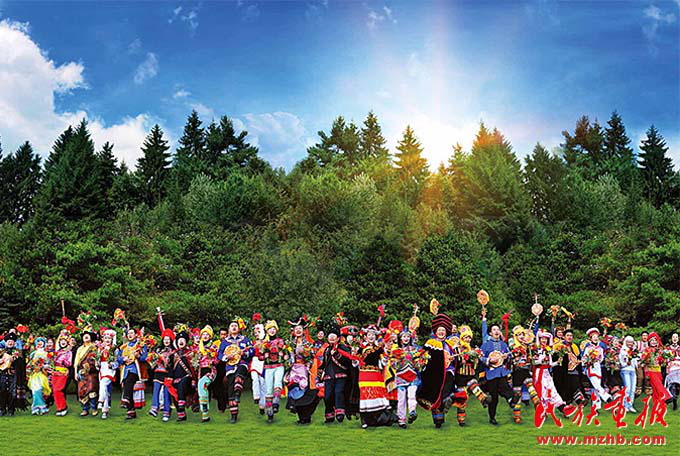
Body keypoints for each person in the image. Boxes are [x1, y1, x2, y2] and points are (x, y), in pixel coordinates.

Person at [416, 312, 457, 428]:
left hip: (448, 371)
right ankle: (438, 420)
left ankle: (448, 400)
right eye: (439, 330)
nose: (441, 332)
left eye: (443, 330)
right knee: (435, 395)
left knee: (445, 391)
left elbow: (456, 358)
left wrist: (455, 358)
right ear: (436, 331)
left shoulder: (450, 345)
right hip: (434, 374)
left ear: (446, 332)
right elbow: (423, 356)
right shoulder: (430, 343)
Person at [357, 325, 397, 429]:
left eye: (373, 335)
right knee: (365, 395)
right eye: (369, 335)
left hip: (376, 374)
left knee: (378, 395)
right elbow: (355, 363)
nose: (371, 337)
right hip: (364, 374)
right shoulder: (360, 349)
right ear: (365, 337)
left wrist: (387, 354)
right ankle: (364, 419)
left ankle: (379, 418)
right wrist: (354, 357)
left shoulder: (379, 348)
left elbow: (383, 362)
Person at [451, 325, 491, 426]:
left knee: (474, 385)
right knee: (462, 398)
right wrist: (461, 360)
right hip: (460, 375)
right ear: (462, 338)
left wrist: (476, 359)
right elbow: (456, 361)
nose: (468, 339)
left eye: (469, 337)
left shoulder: (473, 349)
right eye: (465, 337)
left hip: (470, 374)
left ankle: (483, 399)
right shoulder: (457, 348)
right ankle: (461, 419)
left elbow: (477, 361)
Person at [217, 317, 253, 423]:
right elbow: (219, 354)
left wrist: (244, 353)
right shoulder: (225, 342)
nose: (233, 327)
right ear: (229, 329)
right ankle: (234, 414)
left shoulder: (245, 339)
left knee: (240, 373)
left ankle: (238, 392)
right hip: (230, 367)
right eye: (232, 326)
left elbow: (252, 350)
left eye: (235, 326)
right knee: (230, 390)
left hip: (242, 364)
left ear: (239, 328)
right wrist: (226, 357)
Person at [480, 320, 513, 425]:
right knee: (494, 396)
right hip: (491, 373)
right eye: (494, 329)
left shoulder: (503, 344)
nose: (497, 331)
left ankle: (511, 400)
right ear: (490, 333)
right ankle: (492, 417)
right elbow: (480, 357)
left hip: (502, 372)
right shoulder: (485, 345)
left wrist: (507, 356)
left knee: (505, 387)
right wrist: (489, 360)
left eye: (498, 329)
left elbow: (510, 355)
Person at [319, 322, 353, 423]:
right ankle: (329, 414)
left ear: (338, 338)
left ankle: (340, 412)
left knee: (339, 392)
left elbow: (348, 361)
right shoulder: (326, 349)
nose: (332, 338)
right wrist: (320, 371)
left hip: (340, 374)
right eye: (330, 336)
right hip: (329, 375)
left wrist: (337, 355)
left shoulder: (343, 348)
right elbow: (325, 363)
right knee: (327, 395)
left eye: (334, 336)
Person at [390, 329, 423, 428]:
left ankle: (412, 411)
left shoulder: (415, 350)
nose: (406, 338)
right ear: (400, 338)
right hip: (400, 376)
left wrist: (420, 362)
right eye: (404, 336)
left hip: (412, 376)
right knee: (401, 399)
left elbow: (418, 365)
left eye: (408, 336)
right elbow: (393, 365)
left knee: (412, 395)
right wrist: (398, 359)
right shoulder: (396, 350)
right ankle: (401, 419)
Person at [508, 325, 538, 423]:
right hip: (517, 371)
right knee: (517, 393)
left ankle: (536, 402)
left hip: (525, 370)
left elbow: (531, 356)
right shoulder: (513, 344)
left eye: (522, 334)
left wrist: (532, 350)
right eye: (519, 334)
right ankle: (517, 415)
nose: (521, 336)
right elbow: (512, 355)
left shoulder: (526, 345)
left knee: (530, 385)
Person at [117, 328, 148, 419]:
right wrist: (124, 359)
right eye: (128, 333)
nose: (130, 335)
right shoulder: (123, 346)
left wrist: (138, 356)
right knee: (127, 385)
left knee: (129, 381)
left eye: (132, 333)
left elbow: (145, 358)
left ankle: (125, 399)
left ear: (136, 335)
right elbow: (118, 358)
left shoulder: (140, 345)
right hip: (125, 370)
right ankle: (131, 411)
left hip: (136, 370)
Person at [285, 344, 320, 424]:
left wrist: (309, 363)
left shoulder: (309, 343)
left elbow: (314, 357)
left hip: (309, 374)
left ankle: (306, 416)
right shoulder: (291, 343)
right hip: (295, 373)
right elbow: (288, 360)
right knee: (297, 394)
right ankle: (301, 416)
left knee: (310, 397)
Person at [552, 328, 585, 408]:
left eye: (571, 335)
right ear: (564, 337)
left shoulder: (574, 346)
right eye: (568, 335)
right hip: (562, 370)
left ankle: (578, 400)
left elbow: (578, 357)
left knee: (576, 383)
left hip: (573, 369)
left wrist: (577, 362)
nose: (570, 337)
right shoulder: (558, 345)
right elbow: (554, 357)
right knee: (564, 385)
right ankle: (567, 401)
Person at [149, 328, 175, 421]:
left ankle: (166, 412)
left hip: (167, 374)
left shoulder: (173, 351)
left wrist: (166, 361)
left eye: (168, 339)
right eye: (165, 339)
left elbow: (172, 364)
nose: (166, 341)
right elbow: (153, 360)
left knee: (166, 393)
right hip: (158, 372)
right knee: (156, 390)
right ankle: (154, 408)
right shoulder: (158, 350)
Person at [581, 327, 611, 409]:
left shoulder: (600, 348)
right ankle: (607, 397)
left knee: (596, 387)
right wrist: (589, 361)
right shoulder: (588, 348)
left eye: (597, 337)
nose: (595, 338)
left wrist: (597, 360)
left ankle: (596, 405)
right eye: (594, 337)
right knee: (597, 385)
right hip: (590, 368)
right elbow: (584, 358)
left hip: (597, 368)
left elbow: (601, 359)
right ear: (590, 338)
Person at [640, 332, 671, 404]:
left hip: (658, 370)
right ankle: (666, 397)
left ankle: (658, 402)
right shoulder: (647, 350)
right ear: (649, 342)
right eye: (652, 340)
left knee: (655, 387)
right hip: (650, 370)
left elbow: (661, 362)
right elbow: (643, 360)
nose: (654, 342)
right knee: (658, 384)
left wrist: (664, 359)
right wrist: (647, 359)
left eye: (655, 340)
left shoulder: (659, 351)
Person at [170, 330, 194, 422]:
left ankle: (181, 404)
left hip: (187, 378)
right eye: (179, 339)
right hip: (176, 378)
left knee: (182, 382)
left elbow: (193, 369)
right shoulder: (173, 354)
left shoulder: (191, 353)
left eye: (183, 339)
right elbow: (170, 368)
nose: (181, 341)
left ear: (186, 342)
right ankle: (181, 415)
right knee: (173, 391)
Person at [197, 325, 218, 423]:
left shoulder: (213, 346)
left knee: (202, 385)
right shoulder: (198, 347)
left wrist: (212, 359)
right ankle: (205, 414)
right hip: (200, 371)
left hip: (210, 370)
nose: (205, 336)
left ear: (210, 336)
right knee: (202, 389)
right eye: (203, 334)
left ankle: (204, 410)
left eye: (207, 334)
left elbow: (217, 360)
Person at [74, 330, 99, 416]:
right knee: (82, 390)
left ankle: (94, 408)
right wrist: (75, 373)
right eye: (84, 335)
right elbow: (76, 362)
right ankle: (85, 409)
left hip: (91, 372)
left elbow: (96, 359)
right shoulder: (80, 349)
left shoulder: (94, 347)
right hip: (82, 372)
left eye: (88, 335)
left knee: (92, 389)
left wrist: (90, 366)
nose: (86, 336)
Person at [0, 333, 25, 416]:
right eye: (8, 341)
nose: (10, 343)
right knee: (2, 391)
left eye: (12, 341)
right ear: (5, 342)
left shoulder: (18, 352)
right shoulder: (2, 351)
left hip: (13, 375)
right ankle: (2, 409)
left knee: (12, 392)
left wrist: (15, 360)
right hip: (3, 374)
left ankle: (11, 409)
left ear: (14, 343)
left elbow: (22, 365)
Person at [97, 329, 118, 419]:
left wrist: (112, 365)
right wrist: (97, 363)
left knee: (103, 383)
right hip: (102, 369)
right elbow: (98, 361)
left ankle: (100, 400)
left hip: (110, 370)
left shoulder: (114, 349)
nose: (107, 340)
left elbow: (118, 361)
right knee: (105, 389)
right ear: (103, 339)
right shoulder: (100, 349)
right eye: (106, 338)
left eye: (109, 338)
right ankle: (104, 411)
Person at [27, 337, 51, 415]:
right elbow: (29, 363)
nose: (40, 343)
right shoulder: (33, 353)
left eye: (41, 341)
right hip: (34, 375)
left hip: (43, 374)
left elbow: (50, 364)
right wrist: (32, 367)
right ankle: (36, 407)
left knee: (40, 390)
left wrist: (44, 366)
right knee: (35, 391)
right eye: (38, 342)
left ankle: (42, 407)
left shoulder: (47, 354)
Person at [52, 330, 72, 417]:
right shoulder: (56, 352)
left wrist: (64, 361)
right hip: (55, 372)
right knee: (55, 391)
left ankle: (63, 407)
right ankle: (59, 407)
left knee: (58, 390)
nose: (63, 342)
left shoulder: (68, 352)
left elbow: (69, 363)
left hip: (63, 372)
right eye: (61, 341)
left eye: (64, 341)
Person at [249, 323, 266, 415]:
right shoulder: (252, 343)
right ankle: (256, 396)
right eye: (255, 332)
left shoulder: (266, 343)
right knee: (254, 378)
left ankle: (262, 405)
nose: (257, 334)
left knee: (263, 383)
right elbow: (249, 352)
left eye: (258, 332)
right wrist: (253, 348)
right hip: (255, 362)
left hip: (263, 363)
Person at [619, 335, 639, 412]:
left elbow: (636, 361)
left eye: (631, 342)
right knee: (627, 389)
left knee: (633, 389)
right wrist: (625, 363)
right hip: (625, 370)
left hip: (633, 370)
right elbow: (621, 361)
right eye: (628, 342)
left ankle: (630, 405)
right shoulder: (623, 350)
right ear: (625, 342)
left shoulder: (634, 351)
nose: (630, 344)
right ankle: (624, 405)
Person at [665, 333, 680, 411]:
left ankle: (675, 398)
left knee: (678, 386)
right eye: (673, 337)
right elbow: (665, 359)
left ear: (678, 339)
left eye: (676, 337)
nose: (675, 338)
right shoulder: (668, 349)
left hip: (679, 368)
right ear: (671, 338)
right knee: (672, 385)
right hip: (671, 368)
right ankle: (674, 400)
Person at [636, 332, 650, 396]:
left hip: (647, 362)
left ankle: (647, 388)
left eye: (646, 335)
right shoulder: (638, 343)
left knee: (647, 376)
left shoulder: (650, 344)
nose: (644, 337)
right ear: (641, 336)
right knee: (640, 376)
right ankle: (638, 389)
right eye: (643, 335)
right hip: (639, 362)